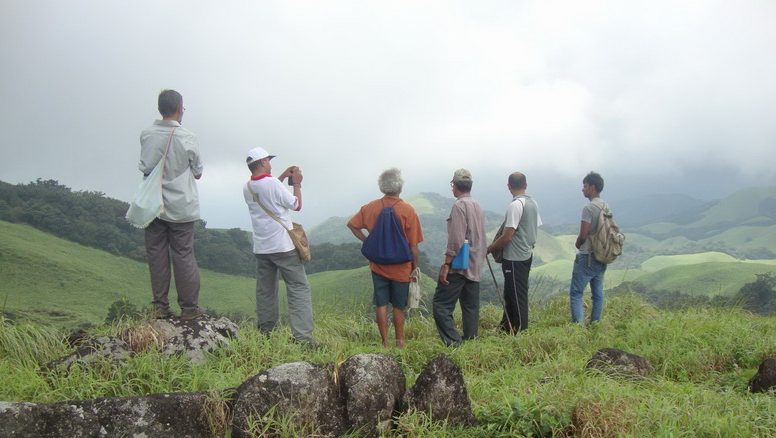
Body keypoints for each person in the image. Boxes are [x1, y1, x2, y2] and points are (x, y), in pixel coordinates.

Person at [139, 89, 204, 320]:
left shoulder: (146, 135)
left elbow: (145, 167)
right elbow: (197, 172)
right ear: (179, 108)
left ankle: (160, 306)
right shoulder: (188, 137)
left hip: (154, 205)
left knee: (156, 254)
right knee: (183, 254)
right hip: (181, 206)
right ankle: (189, 309)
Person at [243, 146, 316, 347]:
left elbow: (270, 191)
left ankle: (266, 334)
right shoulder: (273, 184)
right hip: (283, 247)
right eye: (268, 160)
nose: (270, 163)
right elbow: (296, 205)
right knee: (298, 288)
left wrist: (282, 176)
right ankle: (303, 338)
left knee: (265, 290)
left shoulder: (247, 187)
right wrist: (297, 184)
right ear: (263, 162)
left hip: (262, 248)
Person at [347, 168, 424, 348]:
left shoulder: (371, 207)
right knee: (398, 305)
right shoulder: (408, 210)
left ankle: (384, 343)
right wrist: (415, 267)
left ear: (382, 187)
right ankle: (400, 341)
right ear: (400, 186)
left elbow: (352, 224)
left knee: (380, 303)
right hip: (402, 268)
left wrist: (367, 242)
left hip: (378, 265)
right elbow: (414, 246)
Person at [432, 169, 487, 347]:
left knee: (441, 305)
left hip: (459, 264)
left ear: (454, 186)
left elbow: (456, 239)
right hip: (476, 263)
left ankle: (454, 343)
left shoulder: (459, 206)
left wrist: (446, 264)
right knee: (470, 306)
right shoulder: (478, 205)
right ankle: (471, 342)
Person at [487, 172, 542, 333]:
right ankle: (505, 328)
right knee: (511, 293)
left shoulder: (515, 205)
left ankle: (521, 330)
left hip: (514, 257)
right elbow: (533, 227)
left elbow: (507, 236)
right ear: (525, 185)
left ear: (509, 186)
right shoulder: (533, 203)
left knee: (517, 296)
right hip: (526, 253)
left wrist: (490, 249)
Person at [569, 171, 609, 324]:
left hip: (588, 255)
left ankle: (578, 328)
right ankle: (595, 324)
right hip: (602, 254)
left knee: (576, 293)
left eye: (585, 186)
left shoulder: (589, 208)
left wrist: (578, 244)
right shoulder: (606, 206)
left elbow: (583, 234)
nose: (583, 189)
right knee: (598, 293)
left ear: (592, 187)